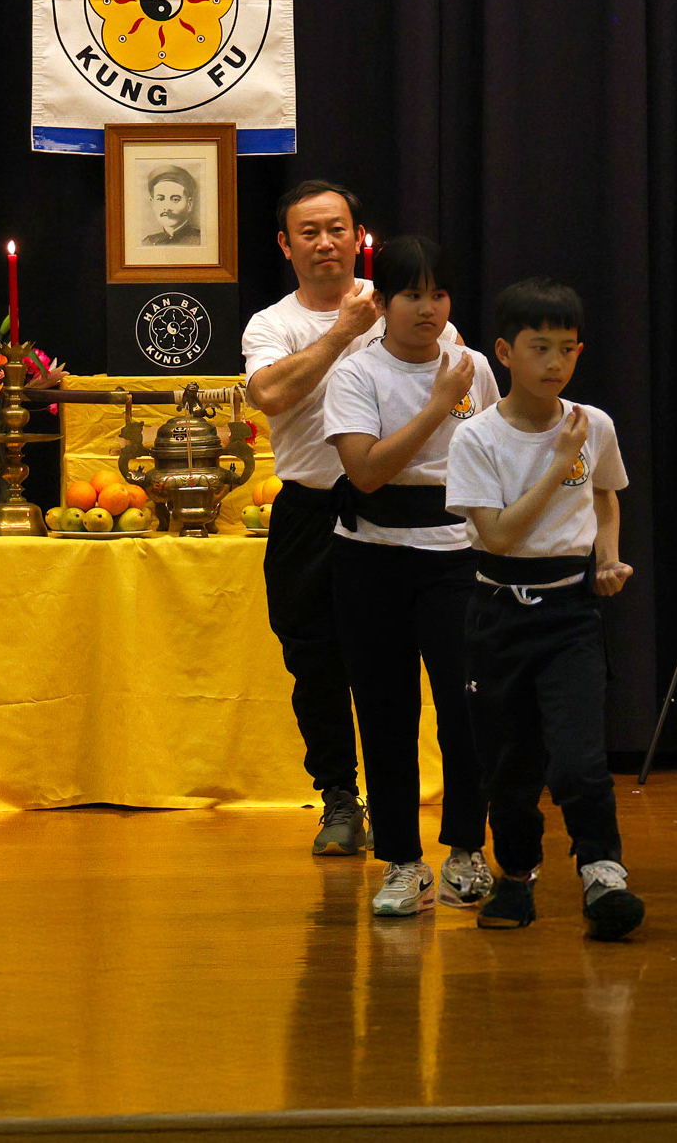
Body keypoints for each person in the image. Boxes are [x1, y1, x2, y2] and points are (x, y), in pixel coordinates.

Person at [243, 181, 461, 854]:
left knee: (417, 666)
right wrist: (343, 331)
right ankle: (340, 797)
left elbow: (457, 392)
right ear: (285, 246)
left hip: (404, 510)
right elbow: (269, 395)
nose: (325, 243)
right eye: (308, 232)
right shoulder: (272, 324)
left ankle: (445, 813)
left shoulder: (405, 300)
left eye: (336, 229)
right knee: (314, 663)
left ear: (359, 237)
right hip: (311, 508)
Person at [445, 278, 641, 941]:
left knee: (579, 760)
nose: (555, 363)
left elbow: (606, 497)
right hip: (498, 616)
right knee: (509, 767)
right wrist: (558, 466)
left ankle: (603, 872)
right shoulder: (477, 438)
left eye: (567, 349)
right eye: (539, 348)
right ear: (505, 352)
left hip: (570, 615)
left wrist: (607, 559)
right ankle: (518, 874)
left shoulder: (594, 425)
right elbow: (499, 536)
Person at [320, 235, 501, 918]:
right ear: (382, 303)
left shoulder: (474, 368)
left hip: (457, 555)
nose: (428, 308)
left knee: (466, 708)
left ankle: (466, 851)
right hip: (371, 558)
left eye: (439, 293)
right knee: (386, 712)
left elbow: (495, 456)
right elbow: (366, 471)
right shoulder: (356, 373)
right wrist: (437, 404)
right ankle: (402, 862)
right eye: (412, 294)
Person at [142, 167, 202, 246]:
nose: (166, 208)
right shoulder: (147, 242)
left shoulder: (201, 240)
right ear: (153, 203)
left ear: (189, 204)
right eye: (160, 199)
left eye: (175, 199)